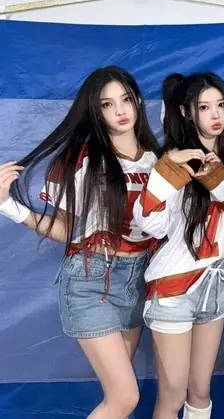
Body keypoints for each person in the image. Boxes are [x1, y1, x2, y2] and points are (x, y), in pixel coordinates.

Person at [0, 66, 161, 419]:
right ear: (95, 111)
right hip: (92, 280)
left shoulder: (158, 159)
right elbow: (65, 229)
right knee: (124, 398)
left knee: (118, 398)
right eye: (107, 104)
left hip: (139, 279)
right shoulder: (82, 159)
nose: (120, 110)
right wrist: (8, 206)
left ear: (137, 101)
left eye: (125, 99)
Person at [132, 72, 224, 419]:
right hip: (173, 289)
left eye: (220, 105)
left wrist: (221, 175)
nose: (216, 114)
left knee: (200, 390)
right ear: (186, 112)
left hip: (215, 284)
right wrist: (166, 172)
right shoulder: (173, 160)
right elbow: (150, 223)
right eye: (204, 107)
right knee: (173, 396)